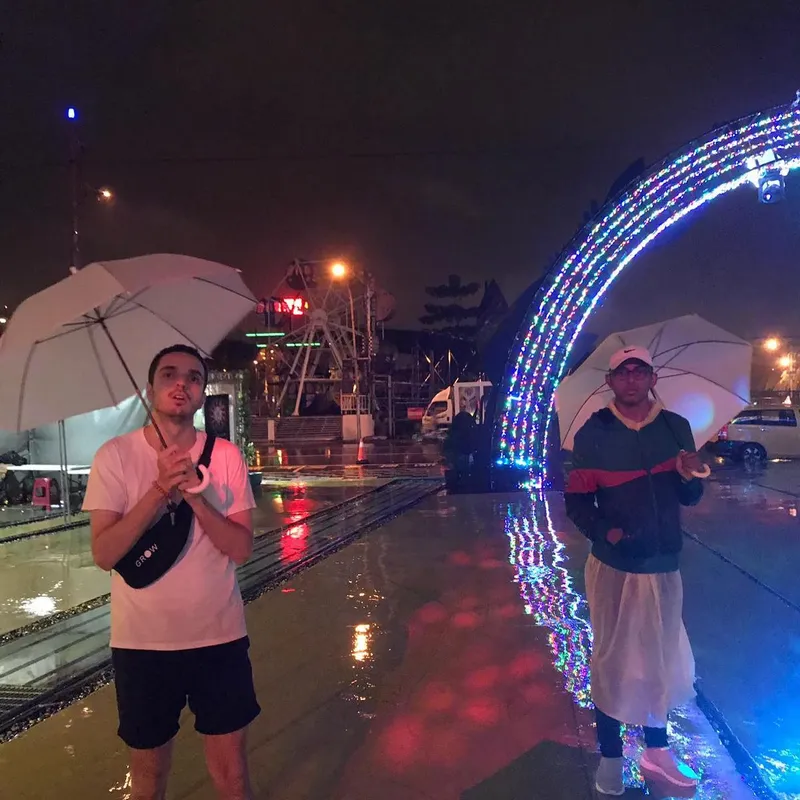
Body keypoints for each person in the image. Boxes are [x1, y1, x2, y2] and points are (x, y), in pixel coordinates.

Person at [84, 344, 259, 800]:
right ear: (151, 388)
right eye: (169, 375)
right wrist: (161, 488)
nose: (181, 384)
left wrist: (197, 496)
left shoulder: (225, 457)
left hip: (219, 637)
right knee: (148, 777)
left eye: (193, 378)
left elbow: (240, 548)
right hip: (142, 644)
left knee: (232, 775)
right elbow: (105, 552)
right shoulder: (114, 456)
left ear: (202, 395)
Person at [564, 345, 704, 796]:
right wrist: (611, 535)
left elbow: (690, 499)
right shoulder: (593, 432)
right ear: (610, 382)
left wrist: (688, 476)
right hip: (615, 566)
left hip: (664, 563)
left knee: (660, 658)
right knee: (613, 656)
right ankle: (610, 754)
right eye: (622, 372)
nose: (631, 379)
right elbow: (577, 501)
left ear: (652, 378)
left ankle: (657, 750)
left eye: (639, 371)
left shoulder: (675, 427)